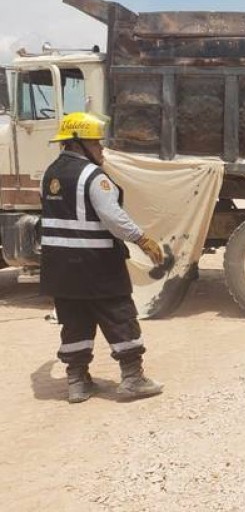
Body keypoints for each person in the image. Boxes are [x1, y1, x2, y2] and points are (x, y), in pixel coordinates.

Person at [41, 112, 165, 403]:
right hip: (96, 264)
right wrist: (142, 239)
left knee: (74, 320)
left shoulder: (50, 174)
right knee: (120, 316)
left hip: (60, 267)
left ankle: (77, 382)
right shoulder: (93, 176)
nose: (101, 149)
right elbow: (113, 217)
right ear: (78, 144)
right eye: (96, 143)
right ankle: (133, 378)